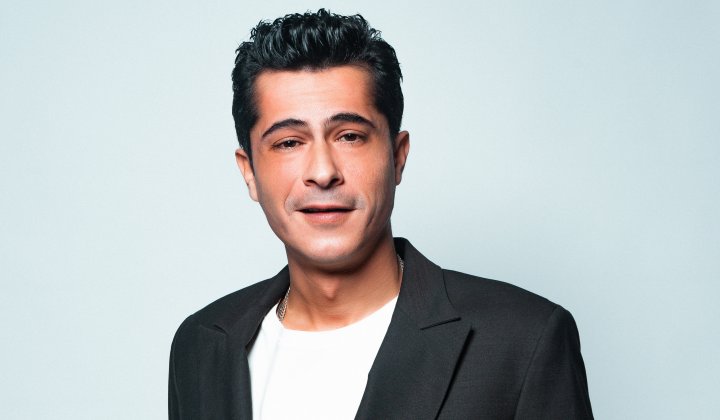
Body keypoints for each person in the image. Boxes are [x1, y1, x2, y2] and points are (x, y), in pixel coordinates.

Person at [168, 9, 593, 420]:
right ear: (250, 173)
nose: (323, 172)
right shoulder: (202, 345)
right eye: (289, 143)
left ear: (397, 156)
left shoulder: (523, 338)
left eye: (350, 136)